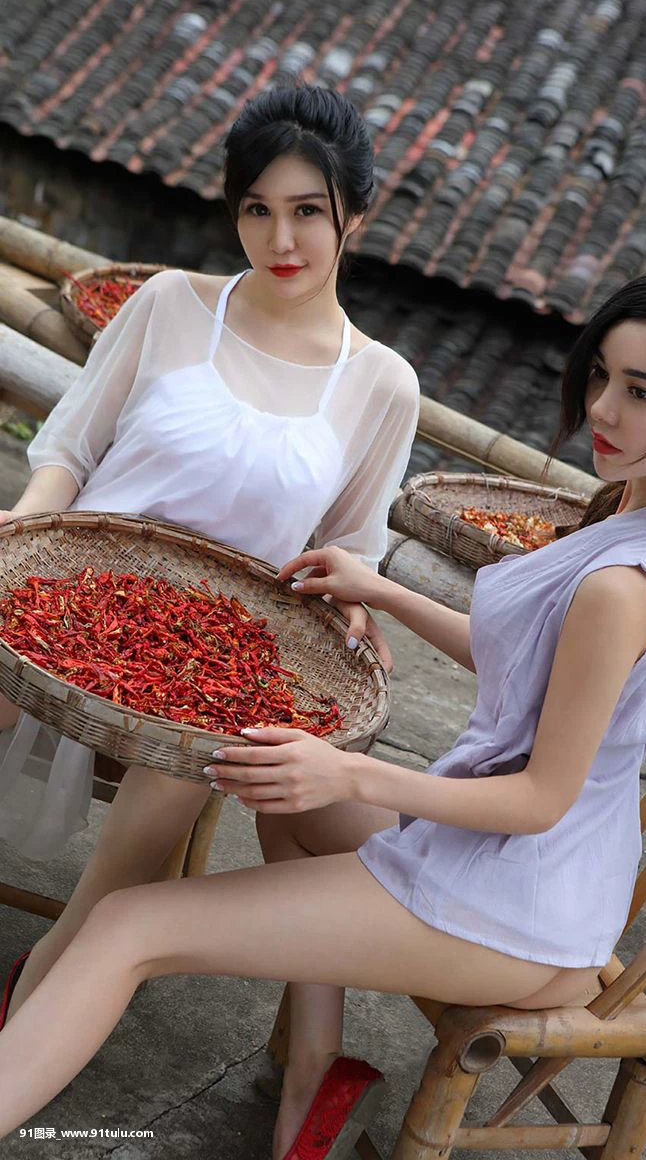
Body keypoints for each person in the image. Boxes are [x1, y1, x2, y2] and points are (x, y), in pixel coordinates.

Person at [1, 264, 646, 1160]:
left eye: (641, 392)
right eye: (600, 375)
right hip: (534, 873)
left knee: (127, 925)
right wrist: (385, 591)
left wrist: (351, 774)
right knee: (280, 786)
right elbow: (542, 670)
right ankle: (311, 1075)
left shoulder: (622, 583)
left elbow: (539, 800)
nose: (601, 409)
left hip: (513, 906)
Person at [0, 85, 420, 1027]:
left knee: (196, 761)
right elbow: (70, 449)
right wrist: (22, 526)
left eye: (308, 212)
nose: (282, 240)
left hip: (210, 645)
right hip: (72, 591)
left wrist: (357, 607)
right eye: (256, 210)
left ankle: (45, 980)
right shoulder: (170, 304)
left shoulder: (382, 383)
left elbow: (347, 549)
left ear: (355, 214)